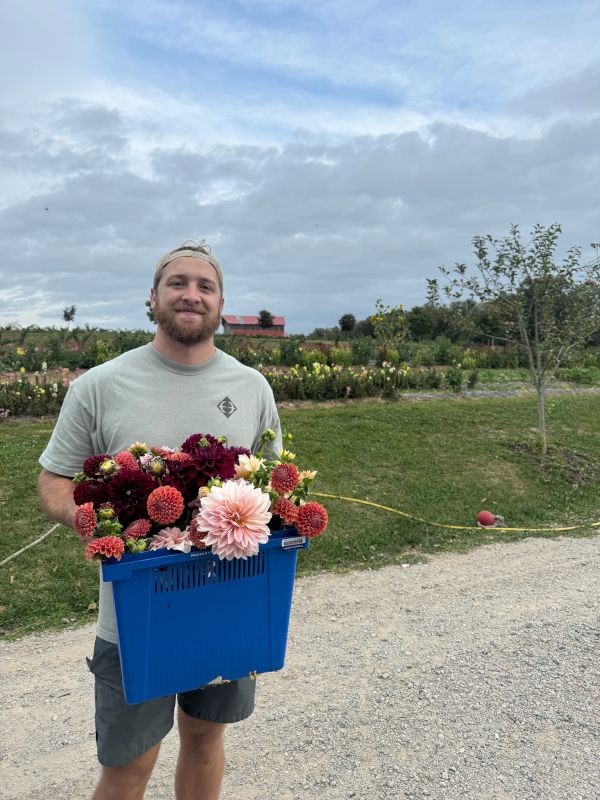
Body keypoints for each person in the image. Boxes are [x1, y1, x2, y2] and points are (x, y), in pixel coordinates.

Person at [38, 241, 282, 800]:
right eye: (177, 283)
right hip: (135, 619)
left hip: (229, 605)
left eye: (205, 285)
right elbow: (53, 480)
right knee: (129, 766)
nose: (191, 295)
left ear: (221, 302)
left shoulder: (251, 387)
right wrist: (94, 523)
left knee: (204, 741)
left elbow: (270, 485)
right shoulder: (99, 386)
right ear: (153, 298)